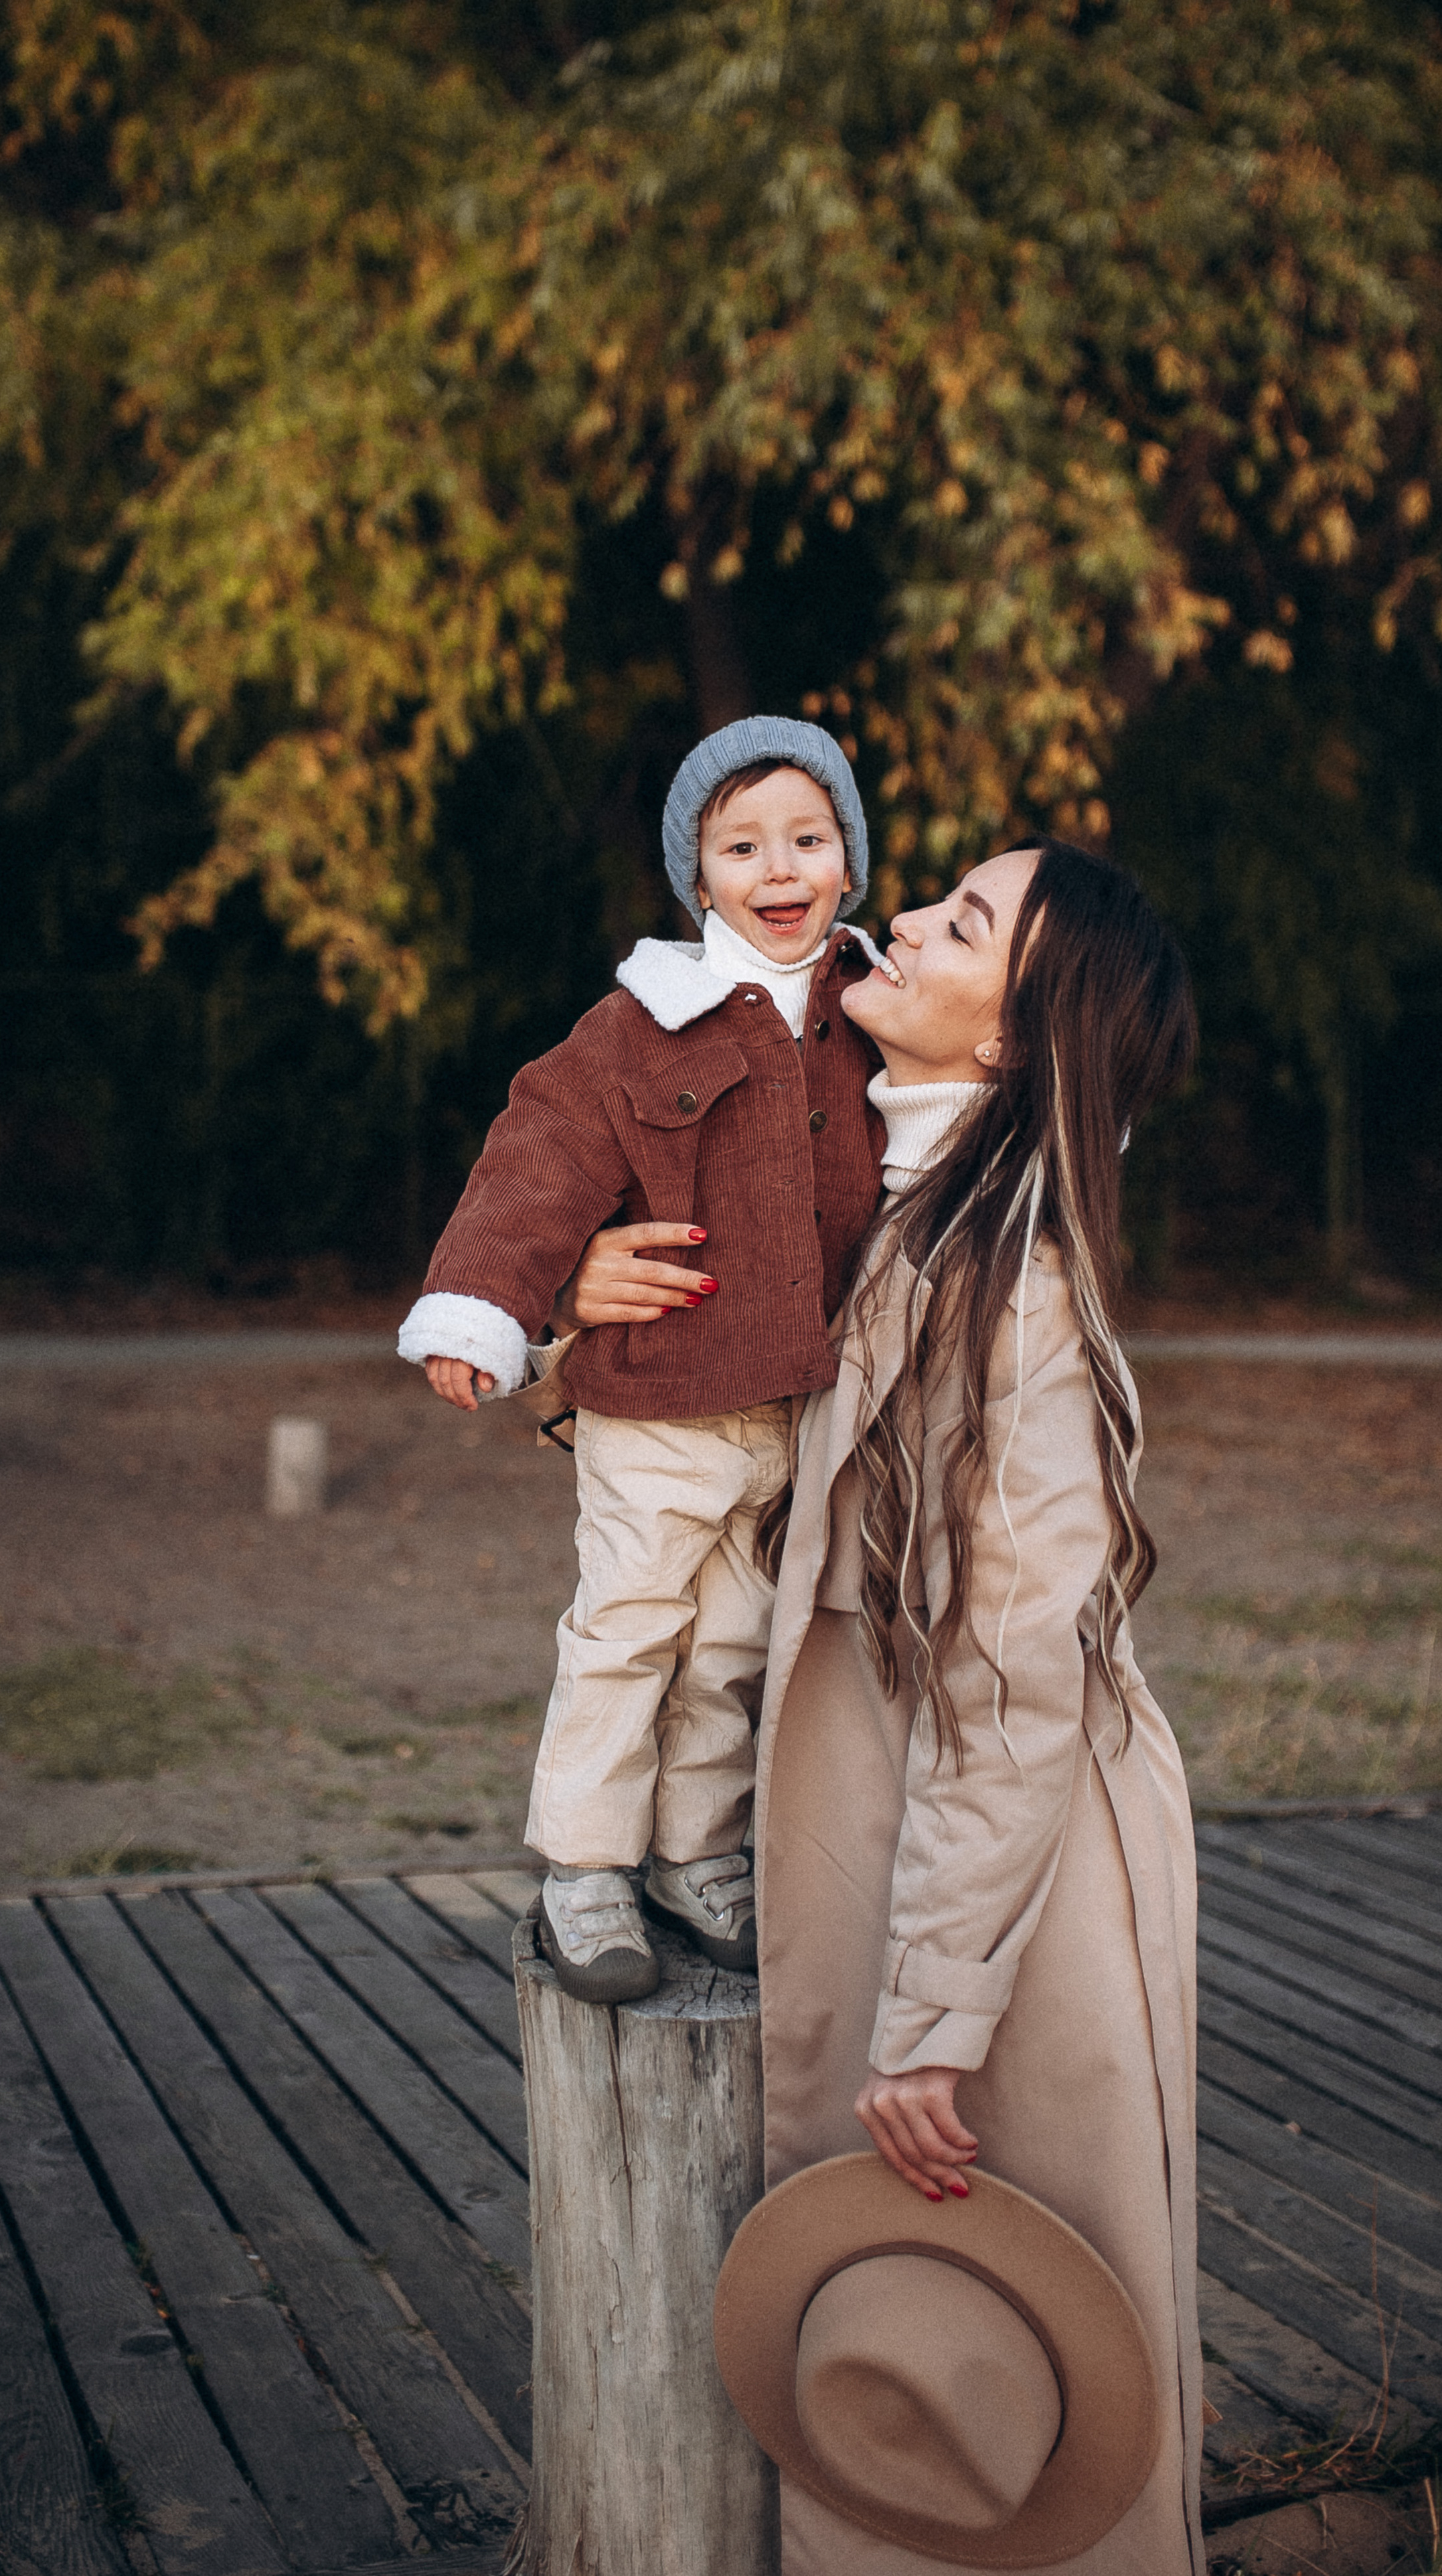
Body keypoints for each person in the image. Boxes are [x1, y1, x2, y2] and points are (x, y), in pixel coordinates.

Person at [750, 836, 1206, 2573]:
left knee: (1026, 2330)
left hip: (1009, 1881)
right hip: (895, 1820)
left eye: (958, 924)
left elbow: (1011, 1678)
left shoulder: (1018, 1281)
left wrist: (936, 2009)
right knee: (909, 2340)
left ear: (1010, 1038)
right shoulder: (897, 1198)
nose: (905, 921)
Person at [397, 717, 885, 2004]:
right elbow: (539, 1160)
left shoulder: (873, 1010)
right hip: (662, 1407)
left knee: (734, 1646)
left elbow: (966, 1096)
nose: (778, 869)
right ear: (697, 877)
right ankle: (586, 1864)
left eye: (807, 838)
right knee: (628, 1632)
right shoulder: (641, 1025)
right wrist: (483, 1308)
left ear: (849, 859)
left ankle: (695, 1852)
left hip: (799, 1413)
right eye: (742, 847)